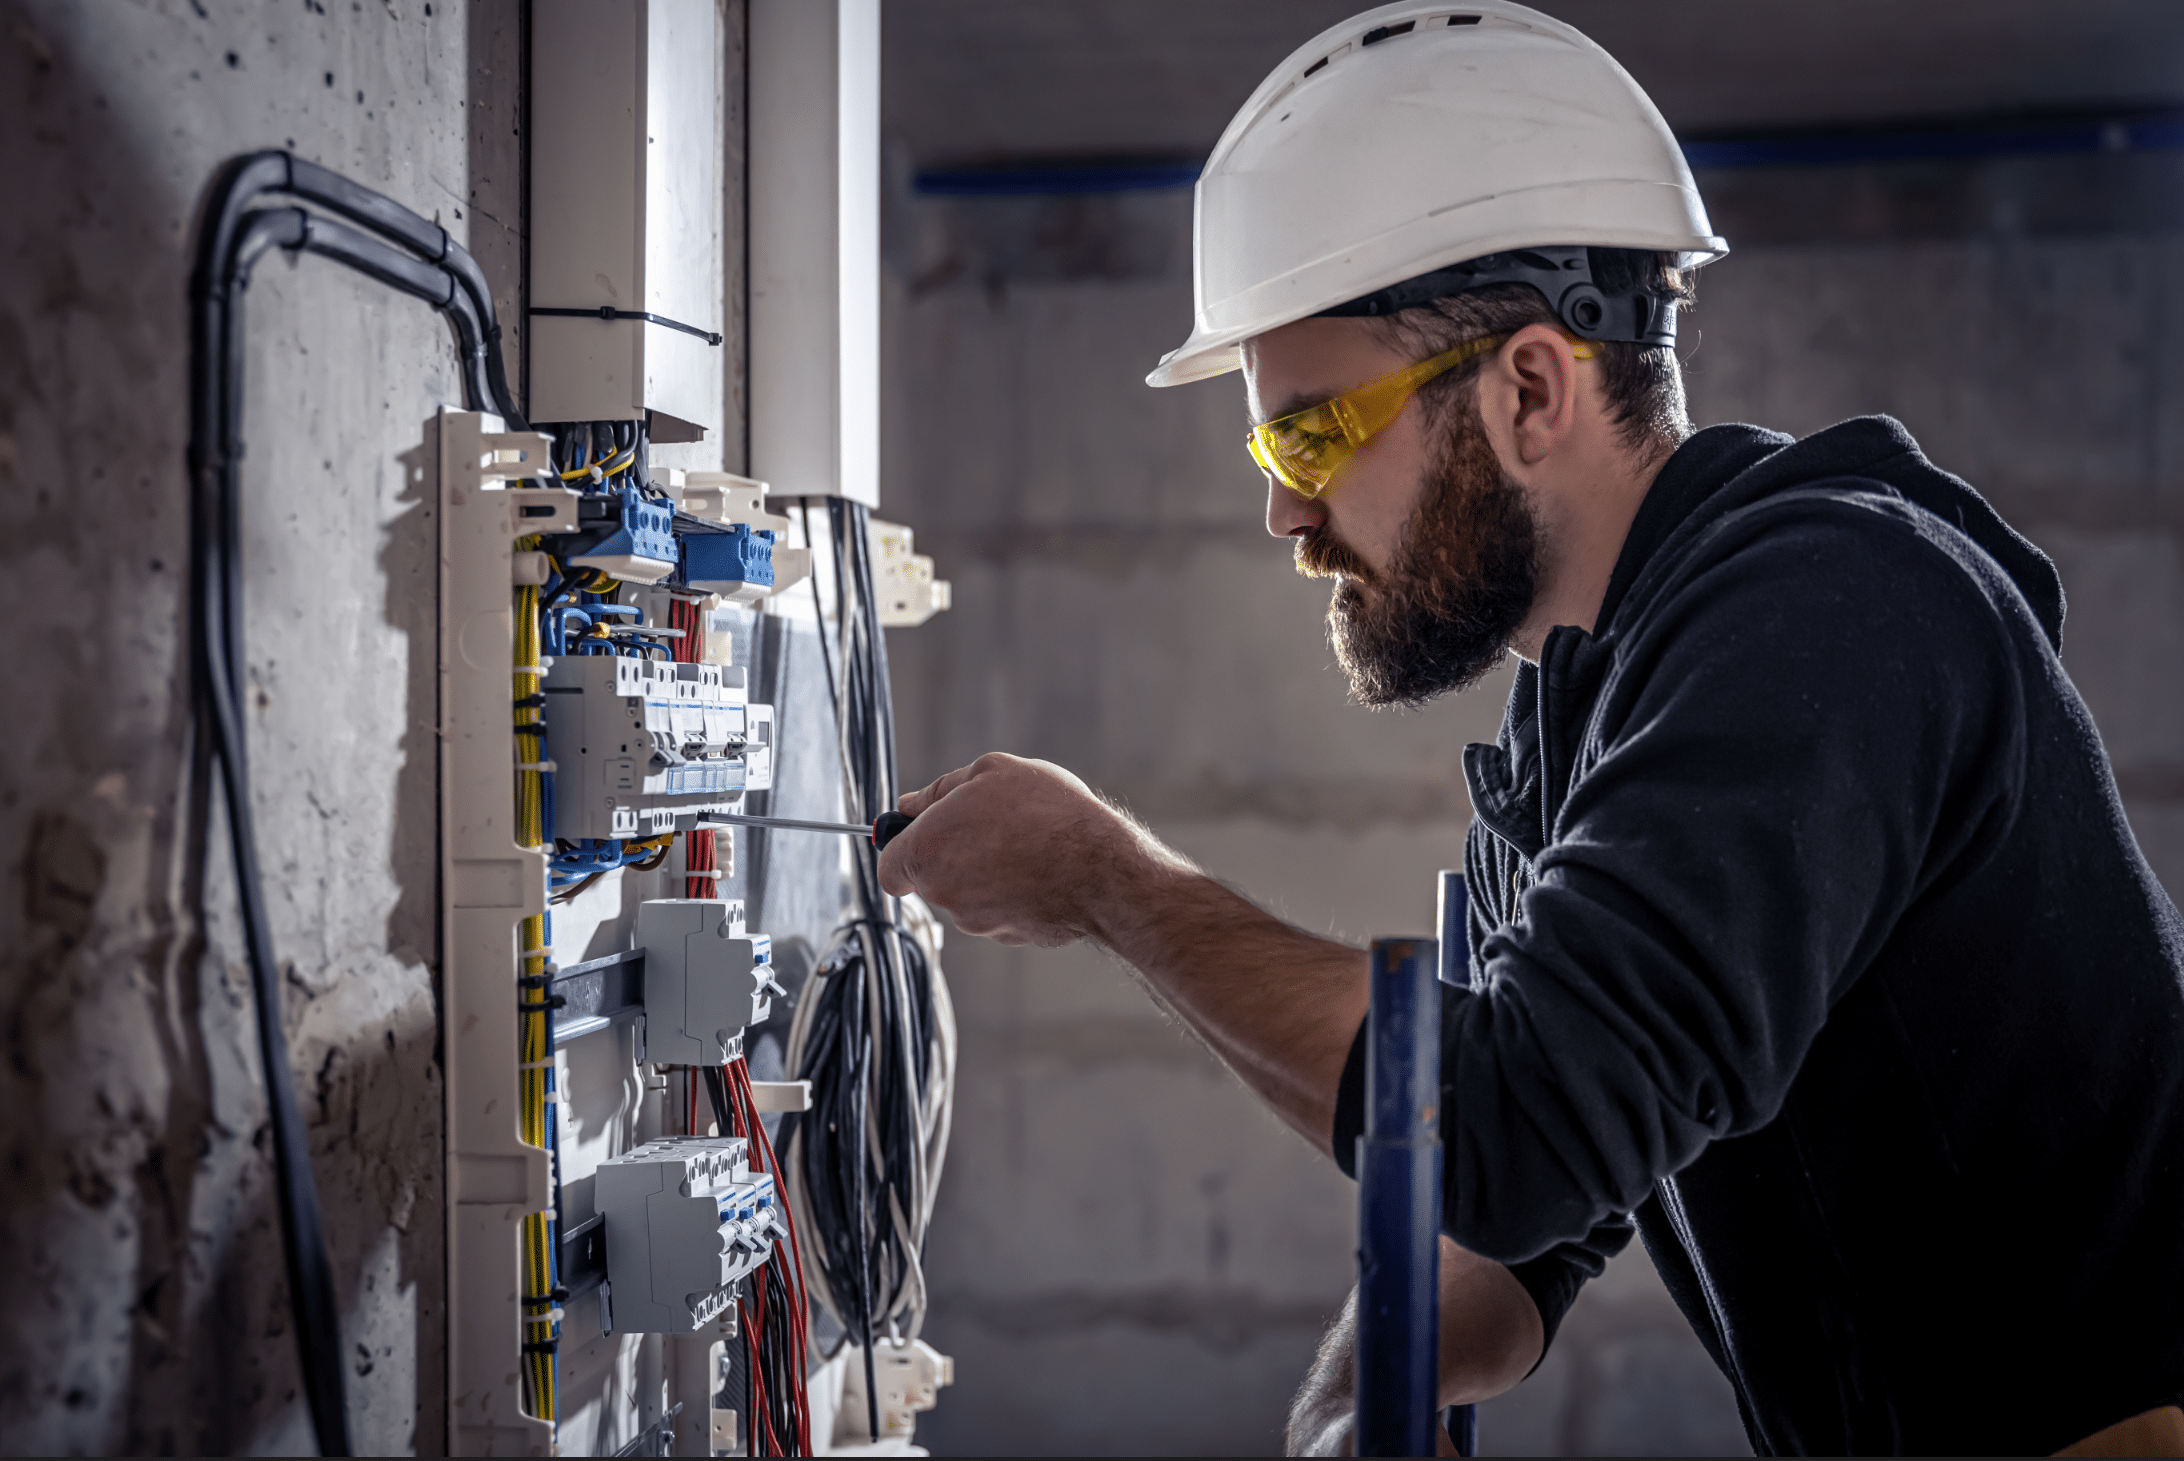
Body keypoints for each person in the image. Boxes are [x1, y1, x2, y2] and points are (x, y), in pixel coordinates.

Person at [876, 3, 2184, 1454]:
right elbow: (1516, 1217)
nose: (1283, 513)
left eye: (1311, 436)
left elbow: (1509, 1125)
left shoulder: (1829, 616)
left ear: (1531, 387)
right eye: (1269, 448)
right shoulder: (1587, 729)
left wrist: (1108, 881)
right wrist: (1363, 1400)